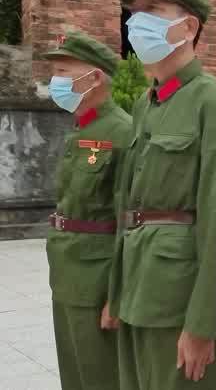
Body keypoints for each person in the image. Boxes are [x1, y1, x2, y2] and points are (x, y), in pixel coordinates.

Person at [109, 0, 216, 390]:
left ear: (188, 27)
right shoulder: (145, 103)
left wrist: (204, 322)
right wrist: (117, 291)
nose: (137, 22)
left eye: (152, 10)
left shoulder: (215, 103)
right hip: (140, 288)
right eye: (134, 12)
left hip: (181, 298)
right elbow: (129, 208)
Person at [43, 31, 132, 390]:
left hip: (97, 280)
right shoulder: (80, 130)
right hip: (66, 272)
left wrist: (118, 294)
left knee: (101, 377)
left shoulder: (122, 132)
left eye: (64, 72)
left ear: (94, 78)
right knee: (74, 374)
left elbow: (130, 220)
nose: (56, 82)